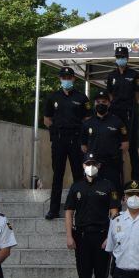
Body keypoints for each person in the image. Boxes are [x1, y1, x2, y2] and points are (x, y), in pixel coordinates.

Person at [63, 155, 119, 278]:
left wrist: (109, 237)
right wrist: (69, 236)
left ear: (99, 165)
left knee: (101, 277)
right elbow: (69, 212)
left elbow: (114, 213)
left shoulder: (108, 185)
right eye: (88, 163)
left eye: (94, 164)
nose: (91, 166)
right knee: (84, 277)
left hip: (101, 237)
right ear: (83, 165)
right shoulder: (76, 186)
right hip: (81, 237)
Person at [42, 66, 88, 220]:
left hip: (75, 139)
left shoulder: (82, 98)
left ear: (74, 79)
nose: (66, 80)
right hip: (59, 139)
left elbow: (87, 120)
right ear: (60, 79)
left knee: (78, 175)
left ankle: (81, 208)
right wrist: (55, 130)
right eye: (64, 78)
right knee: (57, 175)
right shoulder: (53, 97)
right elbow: (47, 119)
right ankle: (53, 210)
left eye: (69, 78)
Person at [105, 46, 139, 181]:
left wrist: (130, 107)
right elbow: (109, 94)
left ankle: (136, 180)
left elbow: (137, 94)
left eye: (123, 57)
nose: (120, 59)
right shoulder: (111, 75)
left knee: (131, 146)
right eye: (118, 57)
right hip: (115, 113)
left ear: (127, 58)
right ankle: (117, 179)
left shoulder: (134, 74)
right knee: (116, 146)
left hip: (129, 113)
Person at [81, 89, 128, 191]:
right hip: (93, 165)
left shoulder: (117, 122)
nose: (101, 104)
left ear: (109, 104)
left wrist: (116, 155)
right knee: (93, 193)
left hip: (112, 164)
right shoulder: (87, 123)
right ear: (94, 103)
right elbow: (84, 146)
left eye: (104, 102)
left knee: (114, 193)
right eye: (98, 102)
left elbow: (125, 144)